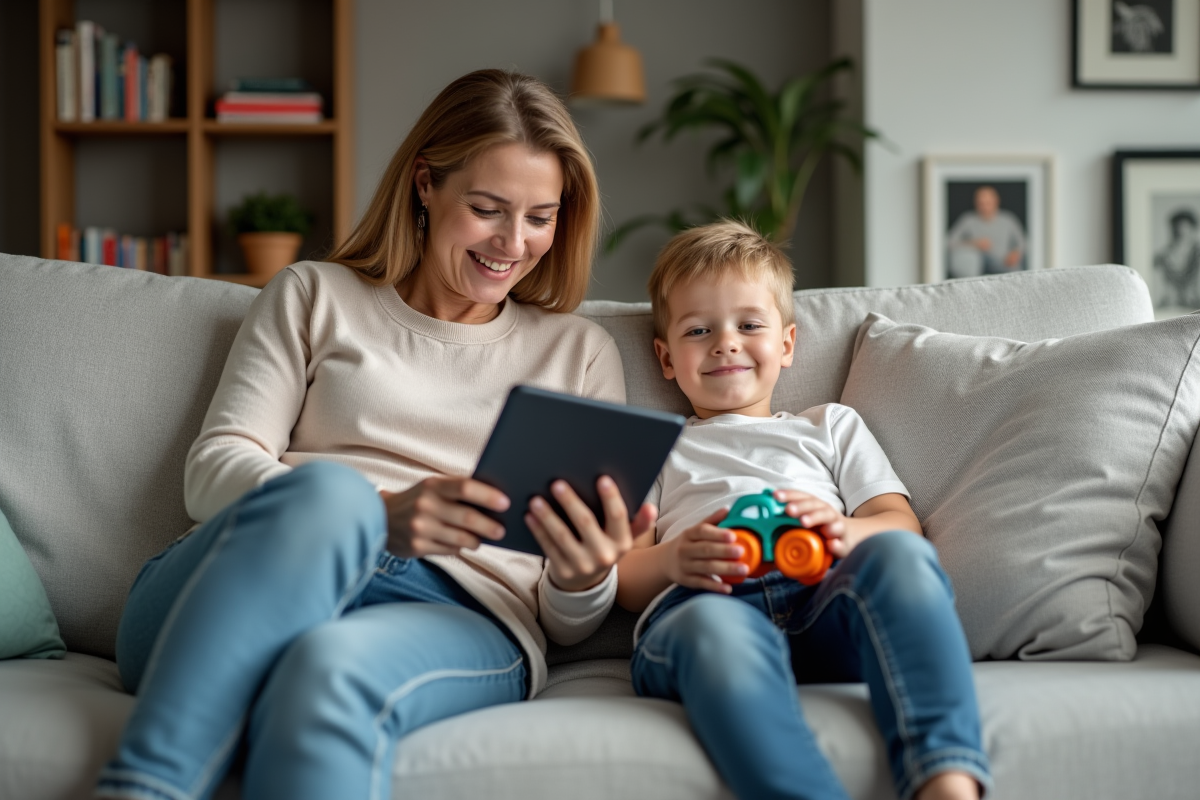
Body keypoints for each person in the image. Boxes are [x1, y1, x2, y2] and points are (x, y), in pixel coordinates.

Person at [95, 69, 652, 800]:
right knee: (329, 495)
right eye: (487, 209)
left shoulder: (576, 353)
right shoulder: (313, 294)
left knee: (325, 675)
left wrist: (585, 576)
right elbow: (213, 471)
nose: (514, 244)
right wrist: (376, 515)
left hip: (455, 613)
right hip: (244, 580)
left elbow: (566, 623)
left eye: (541, 217)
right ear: (426, 184)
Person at [616, 220, 991, 800]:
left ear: (786, 344)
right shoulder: (653, 447)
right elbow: (624, 579)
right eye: (698, 330)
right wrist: (674, 560)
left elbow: (902, 525)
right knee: (713, 628)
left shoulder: (830, 425)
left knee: (899, 555)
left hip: (822, 600)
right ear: (666, 359)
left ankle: (945, 782)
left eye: (749, 325)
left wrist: (840, 530)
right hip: (706, 607)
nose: (726, 342)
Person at [946, 185, 1025, 278]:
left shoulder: (1008, 219)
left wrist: (1015, 253)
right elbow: (950, 242)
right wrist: (974, 243)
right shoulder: (968, 220)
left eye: (988, 203)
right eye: (981, 203)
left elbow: (1022, 242)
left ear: (996, 201)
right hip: (978, 269)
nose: (984, 207)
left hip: (1005, 266)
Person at [1153, 208, 1200, 309]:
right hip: (1171, 309)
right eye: (1177, 232)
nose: (1181, 234)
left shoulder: (1197, 255)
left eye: (1185, 231)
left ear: (1193, 231)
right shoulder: (1162, 257)